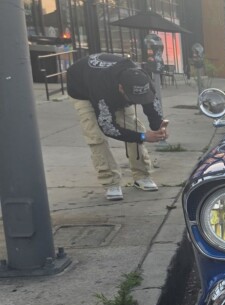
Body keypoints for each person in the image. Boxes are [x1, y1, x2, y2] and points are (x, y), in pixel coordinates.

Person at [67, 53, 169, 200]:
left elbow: (152, 106)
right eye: (133, 98)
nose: (137, 101)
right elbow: (108, 127)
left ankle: (142, 175)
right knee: (95, 135)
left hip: (110, 87)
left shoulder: (142, 79)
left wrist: (159, 128)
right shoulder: (101, 86)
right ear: (121, 88)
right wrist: (143, 136)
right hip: (82, 90)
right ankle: (110, 181)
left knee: (134, 127)